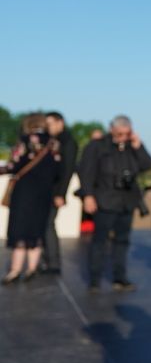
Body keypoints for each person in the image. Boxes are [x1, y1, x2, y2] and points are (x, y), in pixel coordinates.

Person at [78, 115, 151, 292]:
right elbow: (85, 172)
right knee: (99, 241)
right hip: (104, 200)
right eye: (119, 134)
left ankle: (120, 278)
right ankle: (94, 280)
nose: (122, 138)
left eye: (126, 135)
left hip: (126, 202)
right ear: (111, 129)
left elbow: (147, 165)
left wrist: (137, 146)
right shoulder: (97, 146)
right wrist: (88, 196)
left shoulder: (132, 147)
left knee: (122, 241)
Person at [3, 114, 64, 284]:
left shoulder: (24, 141)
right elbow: (58, 169)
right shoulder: (54, 143)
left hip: (24, 192)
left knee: (19, 231)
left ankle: (15, 270)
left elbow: (13, 165)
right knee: (37, 231)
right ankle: (32, 268)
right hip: (44, 193)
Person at [41, 111, 78, 274]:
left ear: (60, 122)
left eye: (50, 124)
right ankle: (47, 260)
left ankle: (53, 262)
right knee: (44, 225)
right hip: (47, 189)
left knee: (48, 225)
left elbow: (67, 170)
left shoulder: (68, 142)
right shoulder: (52, 140)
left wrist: (60, 194)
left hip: (55, 191)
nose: (48, 128)